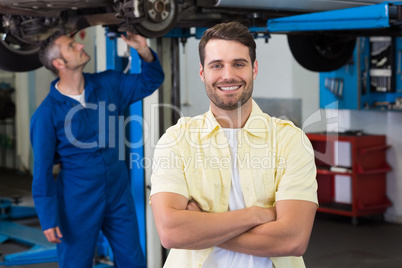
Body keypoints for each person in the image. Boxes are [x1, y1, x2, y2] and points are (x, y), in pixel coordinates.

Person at [150, 21, 318, 268]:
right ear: (202, 72)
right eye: (216, 65)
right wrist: (256, 215)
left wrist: (202, 227)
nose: (227, 75)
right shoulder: (176, 141)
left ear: (254, 68)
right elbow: (172, 233)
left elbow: (292, 239)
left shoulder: (290, 141)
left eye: (238, 64)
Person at [30, 30, 164, 267]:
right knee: (76, 262)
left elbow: (150, 81)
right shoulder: (46, 114)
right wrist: (48, 217)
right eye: (72, 46)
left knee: (133, 260)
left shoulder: (108, 84)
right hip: (76, 200)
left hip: (118, 193)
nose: (80, 46)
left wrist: (143, 49)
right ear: (59, 63)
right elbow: (41, 172)